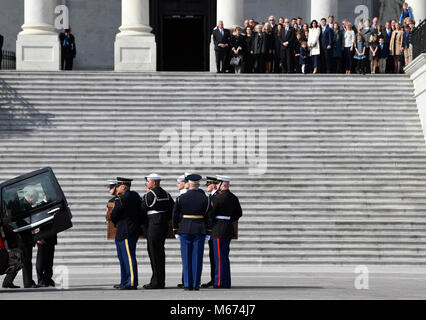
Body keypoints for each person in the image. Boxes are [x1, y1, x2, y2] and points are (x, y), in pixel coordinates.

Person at [172, 174, 209, 291]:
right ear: (198, 184)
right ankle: (195, 284)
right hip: (199, 228)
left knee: (186, 257)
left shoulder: (181, 198)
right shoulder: (205, 198)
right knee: (197, 258)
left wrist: (175, 230)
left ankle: (187, 284)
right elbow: (209, 216)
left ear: (188, 184)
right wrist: (209, 231)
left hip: (184, 228)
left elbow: (175, 215)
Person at [140, 174, 174, 289]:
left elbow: (142, 210)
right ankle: (160, 280)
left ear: (154, 183)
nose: (146, 183)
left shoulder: (150, 195)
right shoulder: (167, 194)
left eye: (148, 181)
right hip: (163, 224)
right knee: (160, 253)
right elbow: (172, 209)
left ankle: (156, 282)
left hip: (153, 225)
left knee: (154, 253)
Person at [208, 176, 242, 289]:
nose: (216, 185)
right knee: (224, 257)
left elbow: (211, 213)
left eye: (218, 183)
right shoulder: (233, 197)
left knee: (219, 257)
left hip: (218, 229)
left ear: (223, 184)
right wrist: (229, 219)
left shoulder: (218, 197)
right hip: (227, 228)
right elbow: (239, 213)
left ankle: (219, 282)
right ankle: (226, 281)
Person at [110, 177, 144, 290]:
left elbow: (113, 215)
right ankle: (125, 281)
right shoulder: (135, 196)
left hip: (125, 230)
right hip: (129, 230)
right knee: (124, 257)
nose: (116, 188)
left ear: (124, 187)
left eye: (118, 186)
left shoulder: (122, 198)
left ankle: (131, 282)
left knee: (128, 257)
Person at [201, 176, 219, 289]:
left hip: (215, 229)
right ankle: (214, 279)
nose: (207, 186)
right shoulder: (211, 196)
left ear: (214, 185)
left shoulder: (216, 197)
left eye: (209, 184)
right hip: (212, 230)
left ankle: (216, 279)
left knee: (216, 256)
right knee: (212, 256)